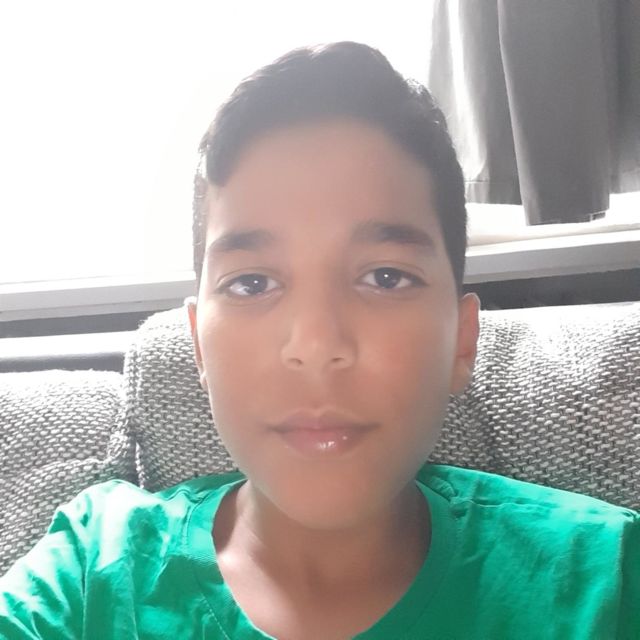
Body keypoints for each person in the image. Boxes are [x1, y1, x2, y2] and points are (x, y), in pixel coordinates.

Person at [0, 41, 638, 640]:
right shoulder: (90, 574)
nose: (315, 344)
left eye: (385, 277)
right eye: (252, 283)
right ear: (198, 346)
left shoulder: (604, 580)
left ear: (462, 342)